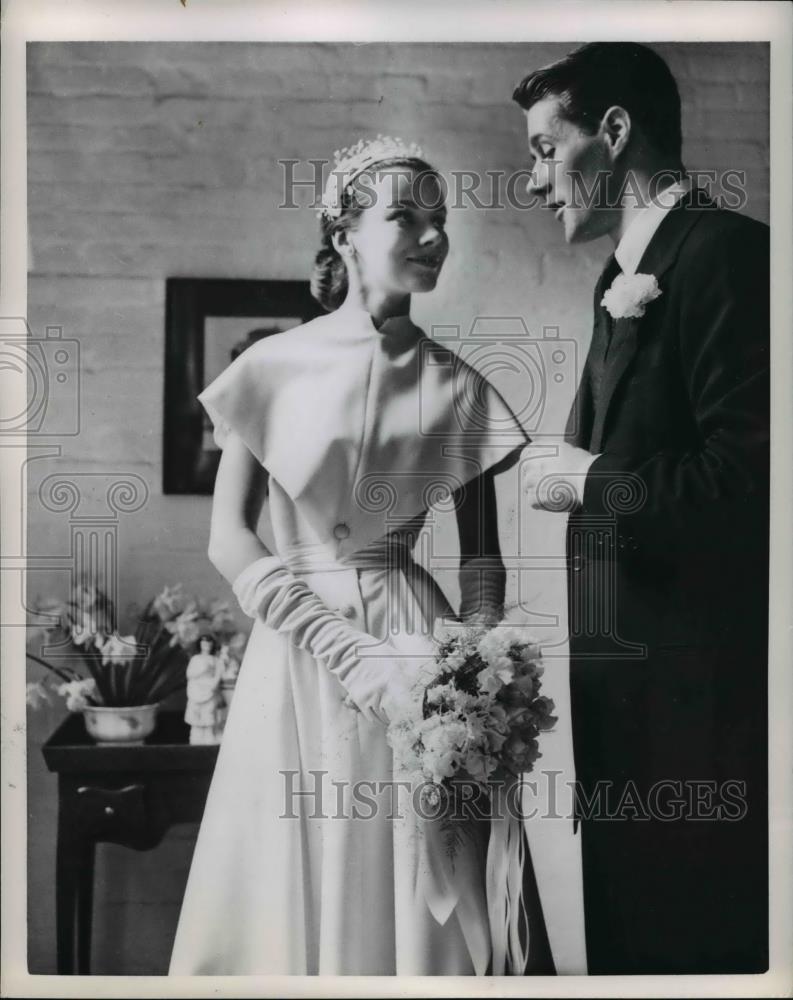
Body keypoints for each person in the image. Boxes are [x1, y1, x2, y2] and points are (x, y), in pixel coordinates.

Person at [169, 137, 545, 975]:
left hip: (420, 652)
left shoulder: (461, 386)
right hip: (302, 647)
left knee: (417, 871)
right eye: (403, 216)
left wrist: (471, 676)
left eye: (439, 219)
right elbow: (228, 534)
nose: (430, 235)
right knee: (296, 863)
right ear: (342, 236)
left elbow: (480, 563)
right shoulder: (268, 366)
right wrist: (346, 649)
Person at [513, 43, 769, 973]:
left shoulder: (733, 256)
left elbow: (746, 490)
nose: (534, 180)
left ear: (613, 133)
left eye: (546, 149)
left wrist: (584, 480)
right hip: (627, 727)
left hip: (705, 733)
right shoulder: (613, 280)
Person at [184, 634, 225, 744]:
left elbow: (218, 674)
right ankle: (196, 735)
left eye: (209, 643)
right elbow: (189, 674)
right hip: (196, 689)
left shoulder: (215, 660)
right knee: (196, 712)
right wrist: (201, 670)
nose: (206, 645)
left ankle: (209, 734)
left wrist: (214, 685)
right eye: (204, 643)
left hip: (209, 689)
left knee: (209, 711)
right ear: (200, 645)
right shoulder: (195, 659)